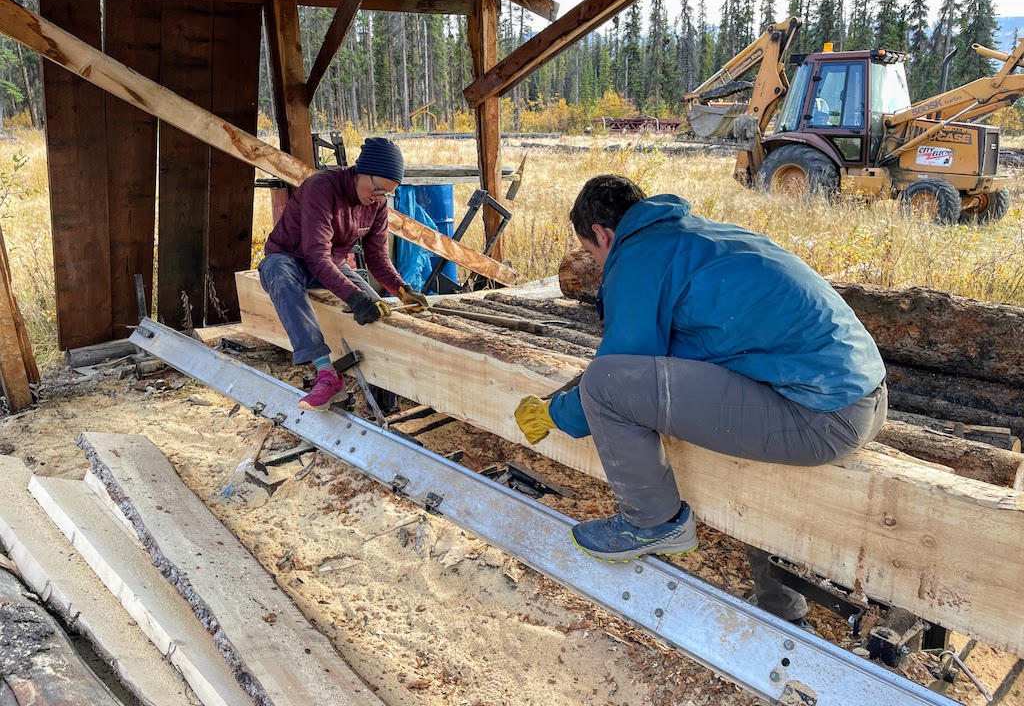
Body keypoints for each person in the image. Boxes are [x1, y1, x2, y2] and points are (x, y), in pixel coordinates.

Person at [513, 174, 887, 628]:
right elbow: (665, 358)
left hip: (821, 416)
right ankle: (780, 606)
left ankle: (652, 521)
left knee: (605, 385)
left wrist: (558, 412)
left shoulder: (638, 257)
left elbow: (616, 371)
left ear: (601, 234)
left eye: (593, 254)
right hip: (857, 397)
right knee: (716, 441)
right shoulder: (694, 238)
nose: (597, 261)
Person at [258, 137, 429, 411]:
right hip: (289, 258)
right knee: (281, 274)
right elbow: (315, 255)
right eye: (377, 189)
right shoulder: (321, 188)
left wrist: (401, 289)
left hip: (332, 263)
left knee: (377, 307)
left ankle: (383, 389)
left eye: (386, 193)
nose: (378, 197)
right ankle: (326, 374)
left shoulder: (377, 205)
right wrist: (353, 297)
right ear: (361, 171)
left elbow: (376, 257)